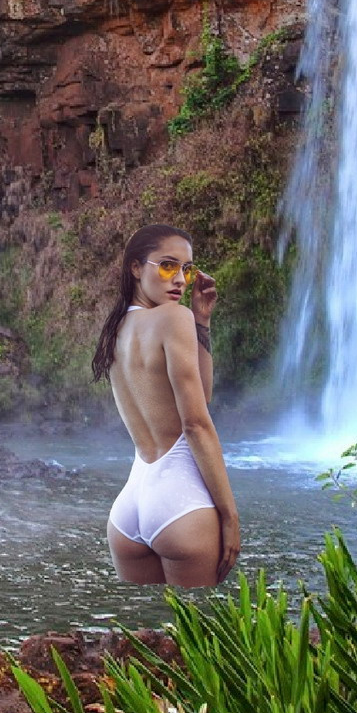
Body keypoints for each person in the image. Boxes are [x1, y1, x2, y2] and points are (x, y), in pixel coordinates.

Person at [91, 222, 239, 587]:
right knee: (198, 636)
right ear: (137, 268)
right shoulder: (173, 318)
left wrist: (201, 319)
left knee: (143, 640)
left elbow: (200, 393)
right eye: (169, 266)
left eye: (187, 269)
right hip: (180, 502)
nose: (181, 280)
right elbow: (197, 423)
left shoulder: (116, 328)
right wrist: (230, 515)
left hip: (129, 511)